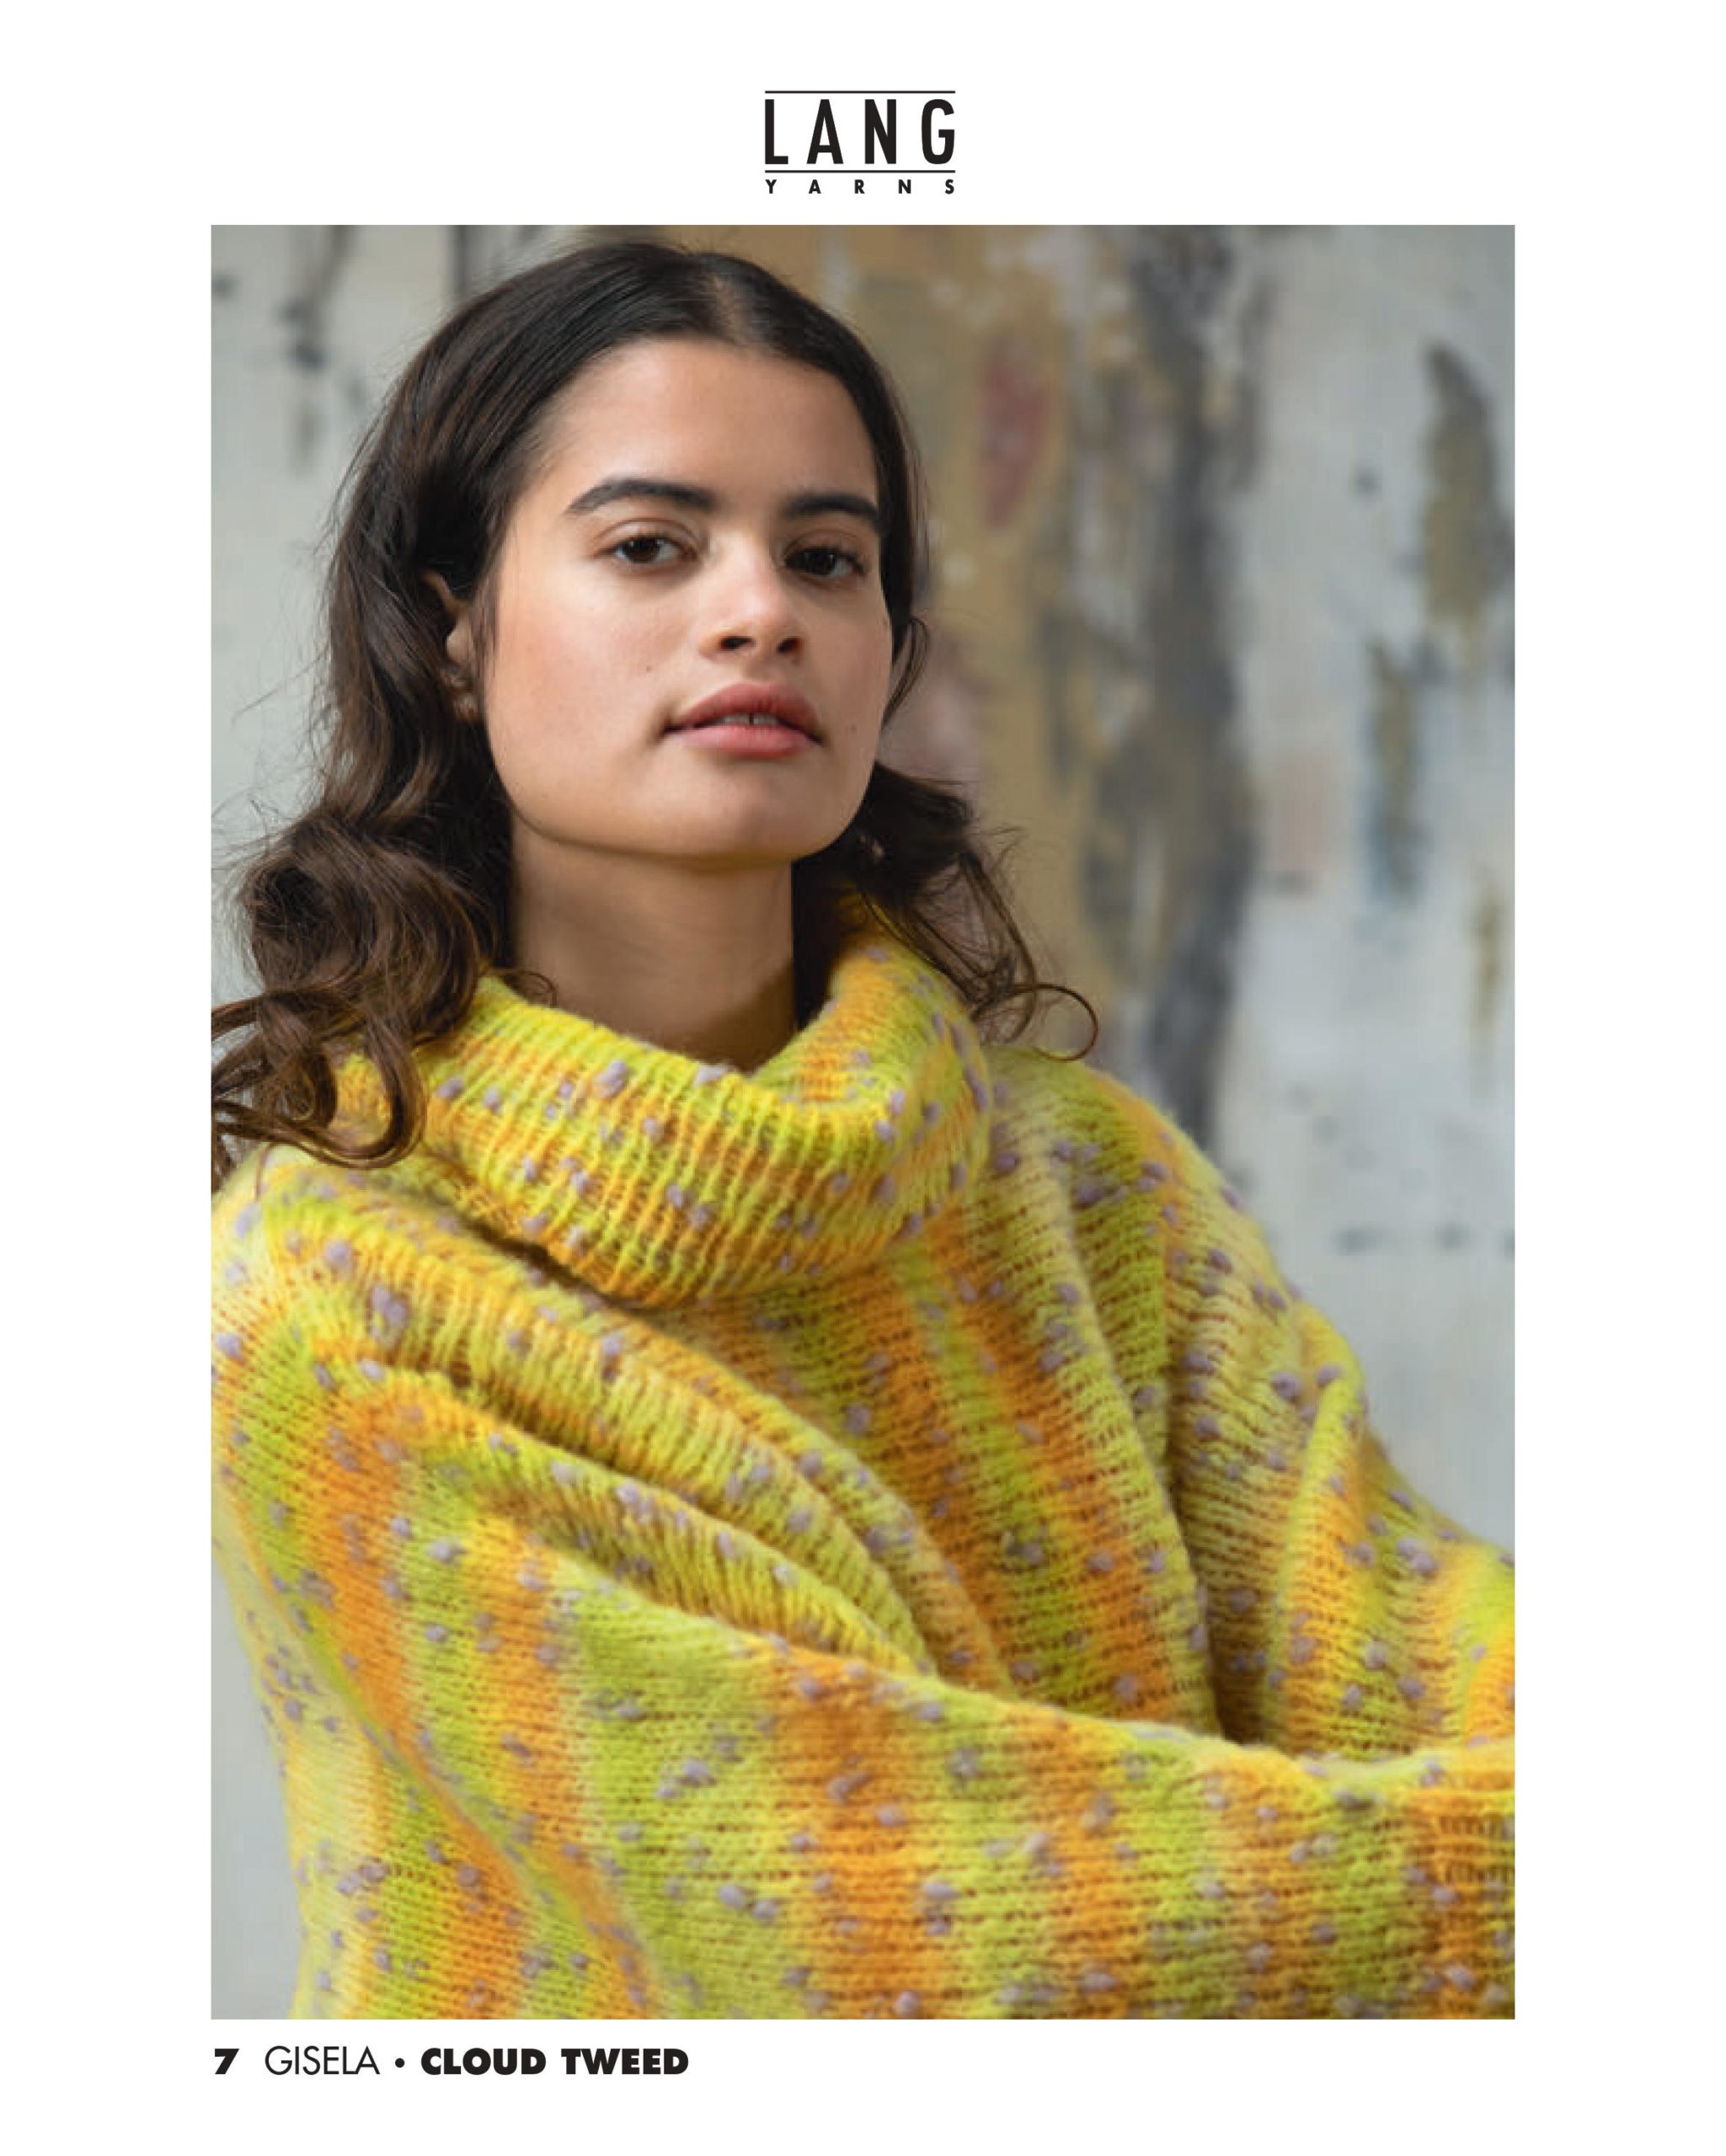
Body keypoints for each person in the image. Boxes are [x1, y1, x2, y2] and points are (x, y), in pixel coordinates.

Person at [211, 238, 1514, 2020]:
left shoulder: (1083, 1179)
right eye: (650, 545)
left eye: (827, 556)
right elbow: (889, 1933)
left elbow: (1416, 1645)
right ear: (451, 627)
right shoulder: (339, 1295)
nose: (761, 610)